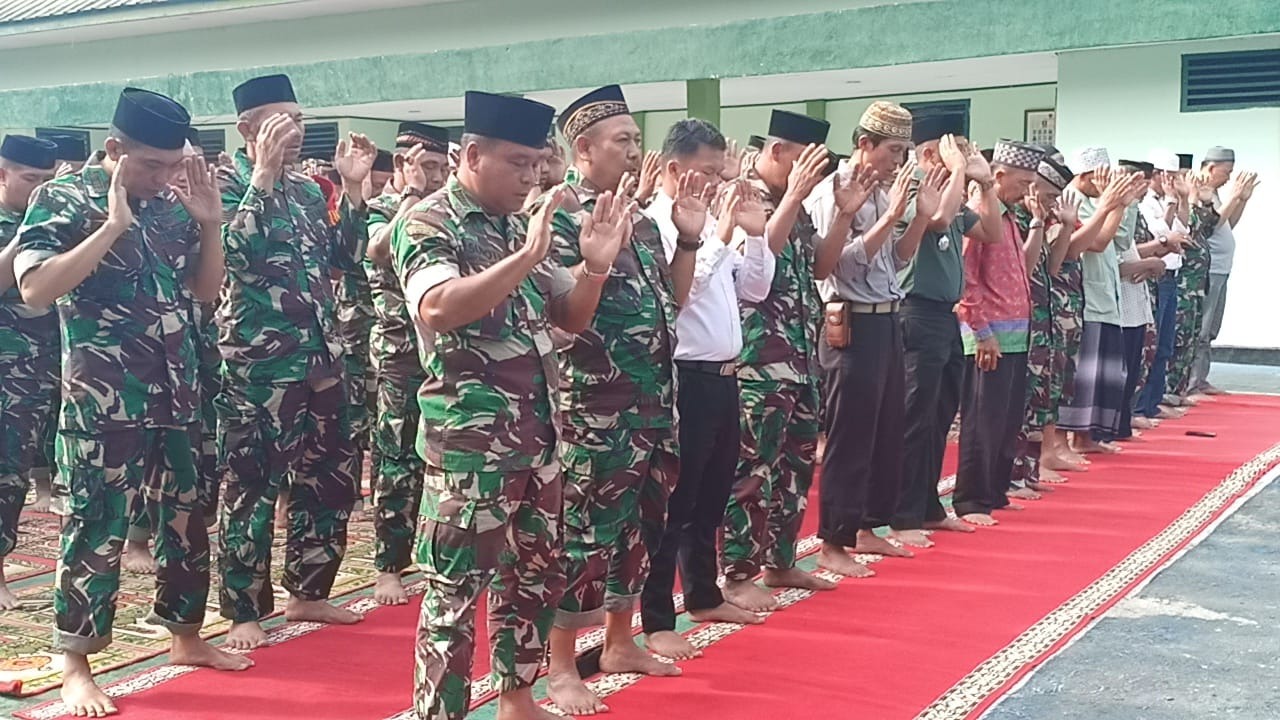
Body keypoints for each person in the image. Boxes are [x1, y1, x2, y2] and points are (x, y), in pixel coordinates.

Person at [392, 90, 633, 720]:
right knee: (453, 596)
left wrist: (595, 269)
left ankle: (517, 700)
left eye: (538, 163)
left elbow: (569, 318)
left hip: (540, 442)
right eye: (519, 163)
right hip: (470, 451)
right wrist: (526, 255)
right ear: (472, 154)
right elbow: (437, 307)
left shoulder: (517, 225)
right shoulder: (428, 223)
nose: (534, 176)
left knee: (531, 582)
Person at [13, 87, 250, 716]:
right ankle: (75, 662)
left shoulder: (175, 203)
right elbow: (36, 289)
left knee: (185, 522)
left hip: (179, 392)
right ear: (113, 150)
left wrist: (207, 222)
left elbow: (203, 292)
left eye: (174, 165)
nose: (164, 177)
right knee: (95, 525)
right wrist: (113, 225)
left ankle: (185, 635)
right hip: (103, 400)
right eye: (150, 165)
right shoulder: (62, 199)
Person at [537, 85, 694, 716]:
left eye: (635, 139)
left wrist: (686, 242)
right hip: (594, 407)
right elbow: (559, 312)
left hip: (653, 405)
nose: (635, 151)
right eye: (622, 141)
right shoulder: (557, 220)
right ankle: (558, 666)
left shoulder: (645, 223)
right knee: (583, 536)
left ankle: (621, 641)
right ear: (584, 150)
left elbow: (674, 304)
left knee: (639, 528)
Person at [216, 73, 376, 650]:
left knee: (330, 480)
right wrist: (260, 177)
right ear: (247, 128)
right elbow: (236, 254)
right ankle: (243, 610)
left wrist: (353, 194)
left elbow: (345, 261)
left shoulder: (311, 191)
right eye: (281, 121)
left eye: (300, 120)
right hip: (259, 366)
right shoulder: (222, 184)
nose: (295, 132)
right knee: (252, 487)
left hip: (322, 359)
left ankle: (309, 591)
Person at [641, 118, 777, 661]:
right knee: (674, 504)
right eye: (706, 173)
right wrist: (715, 234)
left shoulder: (715, 224)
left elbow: (755, 290)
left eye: (721, 174)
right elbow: (684, 295)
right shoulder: (658, 225)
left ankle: (702, 592)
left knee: (712, 495)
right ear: (674, 169)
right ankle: (656, 617)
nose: (717, 185)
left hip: (724, 376)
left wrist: (756, 232)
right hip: (685, 379)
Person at [718, 109, 845, 614]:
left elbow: (820, 266)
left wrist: (848, 215)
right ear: (777, 153)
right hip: (757, 360)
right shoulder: (742, 197)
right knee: (752, 470)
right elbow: (759, 264)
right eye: (804, 162)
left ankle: (781, 558)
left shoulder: (801, 207)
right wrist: (793, 195)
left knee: (794, 467)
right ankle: (738, 571)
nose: (811, 175)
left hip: (798, 357)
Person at [808, 101, 924, 574]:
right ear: (864, 144)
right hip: (849, 322)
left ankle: (864, 526)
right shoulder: (831, 191)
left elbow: (895, 260)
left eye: (903, 151)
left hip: (886, 318)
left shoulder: (883, 190)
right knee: (849, 435)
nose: (898, 160)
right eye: (892, 149)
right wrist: (890, 212)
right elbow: (841, 263)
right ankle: (833, 542)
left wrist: (914, 218)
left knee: (883, 431)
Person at [891, 119, 1000, 542]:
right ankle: (903, 515)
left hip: (945, 316)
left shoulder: (953, 189)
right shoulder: (913, 185)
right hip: (915, 311)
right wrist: (958, 172)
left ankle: (927, 506)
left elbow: (990, 232)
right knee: (915, 417)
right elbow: (936, 220)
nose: (966, 155)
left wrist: (986, 186)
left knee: (939, 416)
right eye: (956, 149)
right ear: (930, 154)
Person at [364, 121, 451, 606]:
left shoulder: (447, 214)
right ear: (401, 165)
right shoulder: (380, 209)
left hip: (442, 353)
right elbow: (380, 251)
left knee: (439, 460)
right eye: (427, 167)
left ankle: (433, 555)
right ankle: (388, 566)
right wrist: (411, 198)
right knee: (395, 461)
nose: (437, 176)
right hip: (398, 354)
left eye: (442, 167)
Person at [951, 140, 1043, 525]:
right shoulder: (978, 216)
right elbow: (966, 279)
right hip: (988, 335)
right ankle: (972, 499)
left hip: (1016, 334)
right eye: (1022, 183)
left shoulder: (1008, 217)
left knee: (1005, 419)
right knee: (981, 421)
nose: (1027, 192)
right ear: (998, 176)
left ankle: (995, 491)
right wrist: (981, 330)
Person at [0, 135, 59, 611]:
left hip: (40, 369)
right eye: (30, 180)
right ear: (3, 174)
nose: (40, 189)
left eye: (47, 180)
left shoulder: (58, 221)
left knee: (15, 471)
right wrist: (27, 233)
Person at [1057, 149, 1149, 454]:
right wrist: (1113, 204)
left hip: (1107, 298)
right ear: (1085, 177)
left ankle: (1088, 437)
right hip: (1086, 299)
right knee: (1084, 375)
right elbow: (1098, 242)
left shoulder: (1098, 201)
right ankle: (1073, 438)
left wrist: (1125, 204)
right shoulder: (1071, 200)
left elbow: (1122, 240)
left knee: (1104, 374)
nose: (1108, 182)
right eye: (1103, 177)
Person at [1009, 154, 1077, 494]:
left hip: (1043, 323)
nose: (1051, 204)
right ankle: (1012, 474)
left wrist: (1064, 225)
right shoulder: (1018, 219)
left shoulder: (1038, 218)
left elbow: (1051, 268)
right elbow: (1025, 264)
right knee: (1021, 402)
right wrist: (1038, 223)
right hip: (1022, 323)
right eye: (1049, 196)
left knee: (1041, 398)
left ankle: (1029, 473)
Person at [1189, 146, 1259, 395]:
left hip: (1221, 268)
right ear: (1210, 168)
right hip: (1207, 269)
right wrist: (1233, 197)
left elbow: (1227, 224)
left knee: (1212, 326)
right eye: (1226, 172)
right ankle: (1190, 382)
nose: (1229, 177)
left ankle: (1201, 378)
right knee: (1201, 326)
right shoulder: (1197, 189)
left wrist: (1241, 199)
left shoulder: (1216, 193)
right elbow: (1210, 225)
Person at [1134, 150, 1192, 421]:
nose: (1171, 181)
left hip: (1171, 277)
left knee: (1165, 345)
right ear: (1157, 175)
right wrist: (1171, 201)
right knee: (1151, 345)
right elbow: (1161, 235)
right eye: (1168, 176)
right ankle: (1141, 406)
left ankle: (1153, 403)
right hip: (1152, 278)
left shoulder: (1164, 200)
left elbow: (1183, 228)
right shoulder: (1145, 203)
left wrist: (1181, 198)